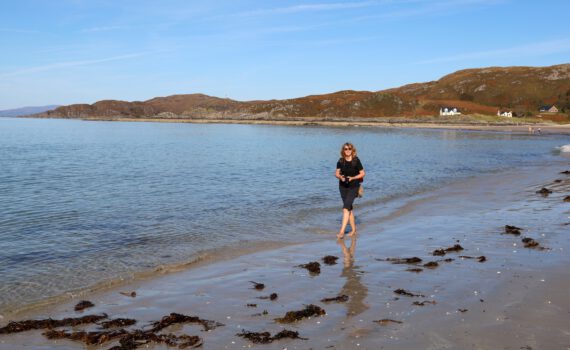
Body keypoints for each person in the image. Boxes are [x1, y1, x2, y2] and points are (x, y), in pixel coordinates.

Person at [335, 142, 365, 239]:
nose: (347, 150)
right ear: (343, 150)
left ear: (352, 150)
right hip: (343, 187)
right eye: (345, 149)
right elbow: (336, 173)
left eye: (349, 149)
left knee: (345, 209)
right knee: (349, 209)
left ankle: (341, 232)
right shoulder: (340, 161)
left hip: (353, 186)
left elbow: (362, 173)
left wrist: (352, 178)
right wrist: (340, 177)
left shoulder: (356, 160)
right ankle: (353, 230)